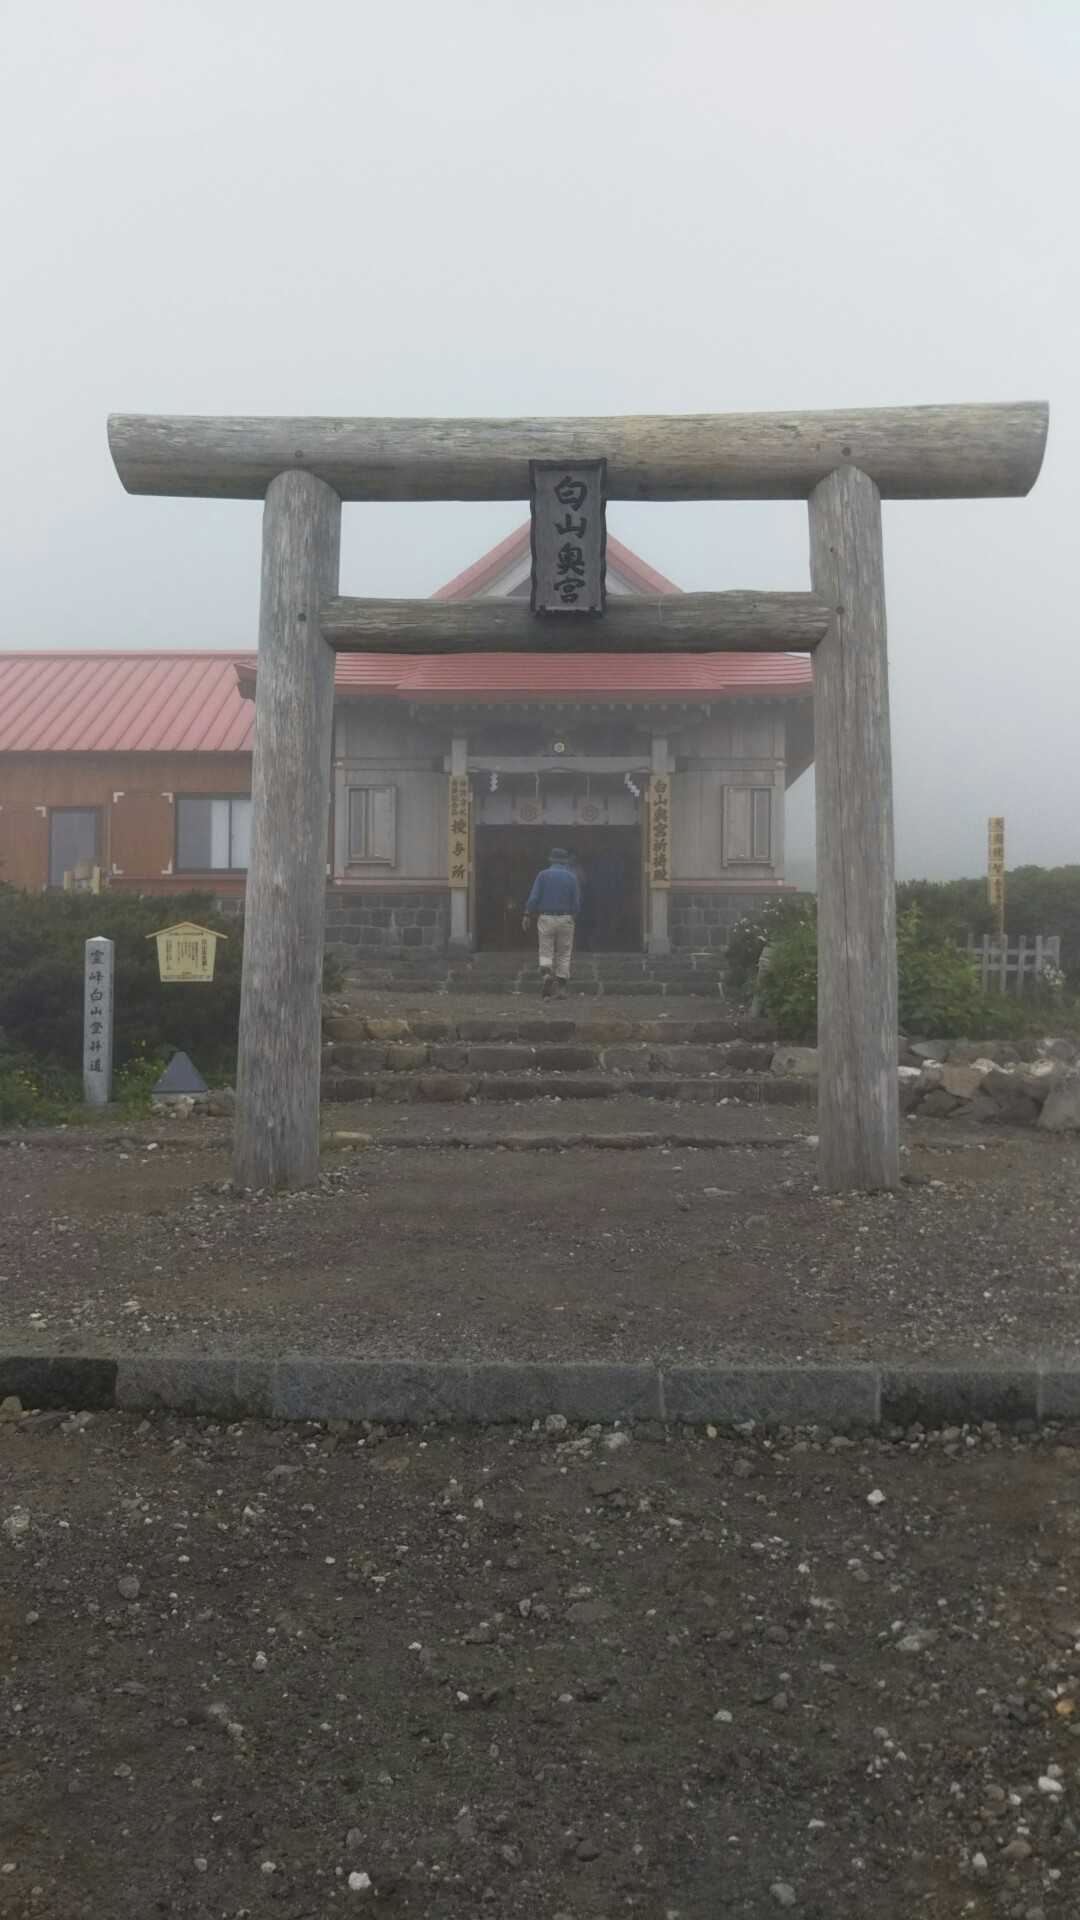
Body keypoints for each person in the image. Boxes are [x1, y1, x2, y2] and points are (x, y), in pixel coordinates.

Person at [522, 847, 580, 998]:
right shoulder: (571, 877)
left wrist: (527, 914)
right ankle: (561, 988)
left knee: (545, 950)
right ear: (565, 861)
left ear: (551, 860)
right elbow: (576, 902)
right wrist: (572, 916)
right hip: (565, 918)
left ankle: (547, 975)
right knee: (564, 953)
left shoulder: (542, 875)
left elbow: (534, 897)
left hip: (546, 917)